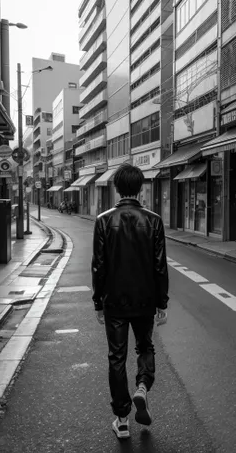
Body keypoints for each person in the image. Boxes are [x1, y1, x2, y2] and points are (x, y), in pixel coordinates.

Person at [91, 163, 169, 440]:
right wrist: (162, 302)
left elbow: (98, 266)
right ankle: (142, 387)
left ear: (117, 188)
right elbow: (160, 266)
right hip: (145, 300)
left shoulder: (103, 220)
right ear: (140, 188)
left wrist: (98, 301)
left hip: (114, 301)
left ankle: (122, 419)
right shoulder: (154, 220)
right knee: (145, 346)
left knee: (116, 357)